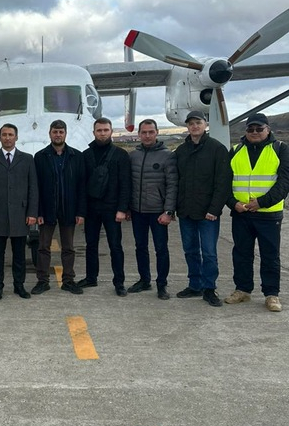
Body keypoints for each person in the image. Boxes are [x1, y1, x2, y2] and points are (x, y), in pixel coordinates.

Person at [224, 113, 289, 312]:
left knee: (270, 256)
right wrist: (232, 203)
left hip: (268, 214)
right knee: (241, 253)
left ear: (268, 129)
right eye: (250, 129)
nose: (254, 132)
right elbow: (224, 182)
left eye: (259, 128)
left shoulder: (281, 149)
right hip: (241, 213)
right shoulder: (235, 151)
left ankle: (271, 294)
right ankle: (243, 290)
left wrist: (261, 202)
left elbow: (285, 182)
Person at [174, 111, 231, 307]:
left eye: (198, 122)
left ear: (205, 124)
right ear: (187, 127)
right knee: (190, 250)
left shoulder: (217, 149)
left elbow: (223, 182)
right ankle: (195, 285)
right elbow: (176, 181)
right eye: (191, 123)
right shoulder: (181, 151)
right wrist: (175, 208)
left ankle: (209, 288)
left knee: (209, 253)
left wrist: (214, 209)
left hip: (208, 213)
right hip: (186, 211)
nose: (194, 126)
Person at [0, 123, 38, 300]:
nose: (7, 138)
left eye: (10, 134)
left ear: (16, 137)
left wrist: (32, 213)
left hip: (20, 214)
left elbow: (33, 188)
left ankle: (19, 286)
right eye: (4, 134)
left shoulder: (27, 159)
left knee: (19, 255)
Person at [32, 120, 85, 295]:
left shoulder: (76, 156)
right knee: (43, 247)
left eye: (61, 132)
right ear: (50, 133)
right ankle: (42, 280)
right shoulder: (40, 157)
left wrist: (80, 211)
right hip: (47, 209)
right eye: (55, 132)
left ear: (65, 134)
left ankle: (68, 280)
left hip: (68, 209)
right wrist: (38, 211)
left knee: (68, 247)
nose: (58, 135)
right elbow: (36, 187)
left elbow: (81, 186)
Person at [80, 118, 131, 296]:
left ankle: (119, 282)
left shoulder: (121, 155)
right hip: (92, 208)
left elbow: (125, 184)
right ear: (93, 132)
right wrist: (82, 211)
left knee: (115, 246)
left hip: (112, 208)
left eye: (105, 130)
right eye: (99, 130)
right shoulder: (86, 155)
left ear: (111, 132)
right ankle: (91, 277)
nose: (102, 133)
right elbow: (82, 185)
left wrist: (122, 209)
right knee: (91, 245)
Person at [127, 119, 178, 300]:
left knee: (161, 249)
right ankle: (144, 280)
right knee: (140, 247)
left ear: (157, 133)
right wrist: (128, 208)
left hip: (158, 212)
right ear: (139, 134)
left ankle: (162, 284)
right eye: (144, 132)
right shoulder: (133, 156)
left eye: (151, 132)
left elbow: (172, 185)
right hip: (138, 211)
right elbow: (128, 184)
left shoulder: (167, 156)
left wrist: (169, 211)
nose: (147, 135)